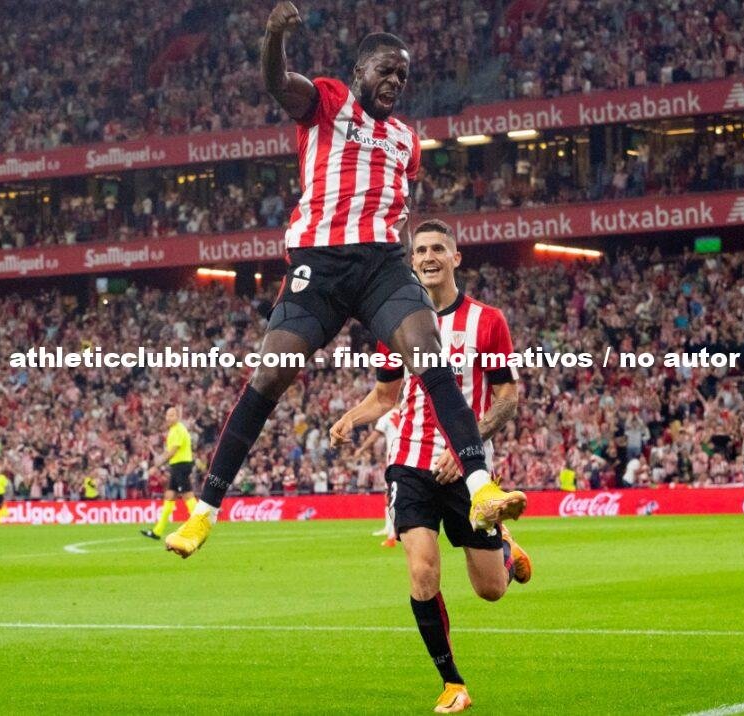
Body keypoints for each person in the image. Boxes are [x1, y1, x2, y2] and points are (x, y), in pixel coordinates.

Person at [164, 1, 525, 558]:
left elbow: (398, 198)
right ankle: (205, 511)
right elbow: (276, 82)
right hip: (321, 266)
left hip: (382, 265)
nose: (396, 81)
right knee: (267, 379)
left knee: (431, 356)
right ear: (360, 71)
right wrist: (273, 36)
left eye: (403, 74)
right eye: (387, 69)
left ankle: (481, 488)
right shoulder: (328, 101)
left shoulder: (406, 140)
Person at [330, 220, 532, 713]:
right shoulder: (394, 322)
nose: (427, 256)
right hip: (410, 465)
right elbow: (386, 396)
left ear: (455, 258)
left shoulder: (487, 320)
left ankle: (502, 547)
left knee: (490, 591)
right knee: (422, 572)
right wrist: (353, 417)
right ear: (410, 259)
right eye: (419, 249)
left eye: (438, 248)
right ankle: (452, 683)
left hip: (465, 468)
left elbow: (507, 396)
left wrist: (468, 444)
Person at [142, 406, 198, 540]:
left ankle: (200, 527)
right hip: (177, 466)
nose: (168, 418)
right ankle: (157, 531)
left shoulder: (178, 429)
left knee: (188, 496)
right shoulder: (174, 430)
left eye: (172, 415)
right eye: (167, 415)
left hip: (181, 465)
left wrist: (157, 465)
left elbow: (172, 451)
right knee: (169, 496)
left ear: (177, 417)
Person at [356, 407, 401, 547]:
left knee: (390, 496)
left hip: (394, 459)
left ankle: (392, 535)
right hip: (411, 458)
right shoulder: (407, 411)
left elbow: (374, 437)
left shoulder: (387, 415)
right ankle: (390, 529)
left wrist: (361, 449)